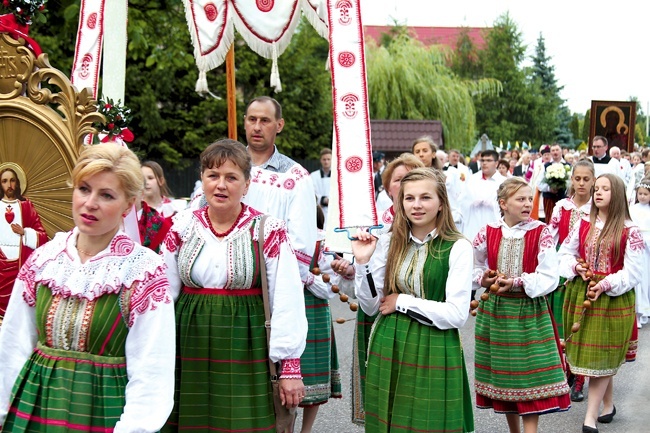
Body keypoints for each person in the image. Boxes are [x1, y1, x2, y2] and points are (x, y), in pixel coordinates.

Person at [0, 143, 175, 432]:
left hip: (104, 412)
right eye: (83, 188)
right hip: (35, 407)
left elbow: (151, 371)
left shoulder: (142, 271)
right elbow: (13, 347)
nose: (90, 203)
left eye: (106, 195)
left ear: (128, 205)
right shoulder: (45, 260)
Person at [161, 139, 307, 432]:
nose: (221, 185)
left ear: (247, 184)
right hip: (188, 345)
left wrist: (290, 366)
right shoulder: (182, 226)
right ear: (202, 180)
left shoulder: (268, 230)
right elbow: (163, 293)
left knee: (241, 423)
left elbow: (287, 298)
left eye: (231, 177)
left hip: (246, 345)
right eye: (213, 176)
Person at [351, 168, 474, 433]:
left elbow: (456, 314)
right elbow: (371, 306)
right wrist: (363, 264)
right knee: (389, 423)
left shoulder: (458, 246)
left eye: (425, 197)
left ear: (441, 203)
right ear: (400, 202)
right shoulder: (388, 242)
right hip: (389, 344)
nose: (416, 205)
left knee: (430, 424)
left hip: (435, 345)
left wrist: (403, 302)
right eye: (409, 198)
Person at [473, 177, 570, 433]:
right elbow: (473, 266)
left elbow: (550, 276)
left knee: (528, 379)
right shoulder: (488, 232)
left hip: (529, 312)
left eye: (530, 199)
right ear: (503, 204)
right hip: (496, 312)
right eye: (521, 199)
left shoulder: (541, 232)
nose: (528, 203)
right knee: (507, 381)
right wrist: (482, 277)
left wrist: (517, 282)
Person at [335, 153, 424, 425]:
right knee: (379, 398)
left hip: (420, 317)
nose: (405, 185)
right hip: (376, 316)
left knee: (418, 400)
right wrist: (352, 270)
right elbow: (358, 287)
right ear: (387, 188)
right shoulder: (372, 223)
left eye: (411, 178)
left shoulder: (432, 224)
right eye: (398, 180)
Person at [558, 174, 643, 433]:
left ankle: (590, 417)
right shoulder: (584, 223)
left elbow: (634, 272)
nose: (598, 192)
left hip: (612, 300)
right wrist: (576, 267)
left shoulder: (631, 230)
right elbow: (564, 253)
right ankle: (608, 406)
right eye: (596, 188)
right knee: (598, 357)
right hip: (582, 294)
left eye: (605, 189)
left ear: (616, 194)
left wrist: (606, 284)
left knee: (601, 357)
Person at [242, 96, 317, 290]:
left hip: (270, 286)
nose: (257, 127)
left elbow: (300, 243)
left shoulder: (295, 178)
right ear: (244, 122)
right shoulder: (225, 169)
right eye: (252, 119)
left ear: (279, 125)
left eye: (265, 120)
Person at [547, 159, 595, 402]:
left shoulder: (596, 209)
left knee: (581, 323)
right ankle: (566, 369)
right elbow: (550, 236)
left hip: (587, 269)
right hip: (564, 268)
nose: (581, 183)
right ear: (571, 180)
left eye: (586, 179)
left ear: (594, 180)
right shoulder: (562, 207)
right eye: (577, 179)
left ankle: (580, 376)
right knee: (563, 323)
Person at [299, 204, 342, 433]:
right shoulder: (280, 235)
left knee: (312, 374)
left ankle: (306, 430)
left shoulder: (323, 241)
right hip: (283, 309)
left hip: (313, 308)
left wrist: (305, 277)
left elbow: (331, 288)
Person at [0, 164, 48, 325]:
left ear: (18, 183)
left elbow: (43, 237)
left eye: (12, 180)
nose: (9, 185)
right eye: (5, 181)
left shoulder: (26, 206)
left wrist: (25, 232)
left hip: (20, 267)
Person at [460, 149, 506, 243]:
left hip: (493, 223)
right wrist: (471, 202)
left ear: (496, 163)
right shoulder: (472, 179)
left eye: (488, 160)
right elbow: (462, 201)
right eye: (482, 160)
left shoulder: (503, 182)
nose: (484, 163)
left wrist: (493, 204)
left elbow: (508, 204)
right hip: (473, 223)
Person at [629, 176, 650, 327]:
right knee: (637, 279)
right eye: (640, 193)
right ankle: (636, 312)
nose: (642, 196)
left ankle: (644, 310)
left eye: (645, 194)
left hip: (647, 249)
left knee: (645, 279)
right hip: (634, 246)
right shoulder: (632, 209)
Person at [537, 143, 571, 223]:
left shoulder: (568, 166)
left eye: (557, 150)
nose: (555, 152)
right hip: (549, 199)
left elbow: (571, 183)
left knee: (563, 221)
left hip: (563, 197)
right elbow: (539, 184)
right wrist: (549, 188)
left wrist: (563, 186)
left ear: (561, 151)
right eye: (553, 150)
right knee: (550, 221)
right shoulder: (545, 166)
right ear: (551, 152)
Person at [311, 148, 332, 226]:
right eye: (324, 159)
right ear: (321, 160)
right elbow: (311, 193)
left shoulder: (337, 176)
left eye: (328, 159)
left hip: (333, 211)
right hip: (319, 211)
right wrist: (323, 200)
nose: (326, 161)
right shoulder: (313, 176)